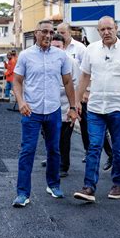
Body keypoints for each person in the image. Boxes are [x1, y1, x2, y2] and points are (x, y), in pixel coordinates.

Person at [73, 16, 120, 202]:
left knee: (119, 149)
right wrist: (77, 102)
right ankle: (88, 187)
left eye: (109, 28)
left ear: (116, 28)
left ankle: (118, 184)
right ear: (98, 31)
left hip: (119, 109)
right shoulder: (91, 50)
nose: (106, 32)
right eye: (102, 29)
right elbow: (84, 77)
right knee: (94, 147)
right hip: (95, 108)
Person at [12, 20, 78, 208]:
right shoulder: (25, 56)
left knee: (54, 150)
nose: (48, 36)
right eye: (45, 32)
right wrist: (21, 102)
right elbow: (17, 81)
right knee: (27, 151)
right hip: (31, 111)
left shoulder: (60, 56)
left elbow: (67, 83)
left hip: (53, 111)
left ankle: (53, 185)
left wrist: (73, 107)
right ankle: (22, 193)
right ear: (36, 33)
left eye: (51, 32)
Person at [57, 23, 91, 163]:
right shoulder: (55, 47)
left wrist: (85, 92)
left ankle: (89, 152)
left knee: (85, 125)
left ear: (70, 33)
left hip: (79, 94)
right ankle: (57, 156)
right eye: (58, 31)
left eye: (63, 32)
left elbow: (87, 71)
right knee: (61, 131)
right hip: (60, 97)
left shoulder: (80, 48)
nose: (60, 34)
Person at [51, 33, 80, 177]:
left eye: (59, 47)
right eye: (53, 46)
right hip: (50, 106)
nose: (56, 49)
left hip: (66, 105)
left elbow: (76, 84)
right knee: (50, 136)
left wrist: (74, 106)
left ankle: (64, 166)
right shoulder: (48, 61)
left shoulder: (71, 62)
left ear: (64, 47)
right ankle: (54, 160)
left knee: (64, 138)